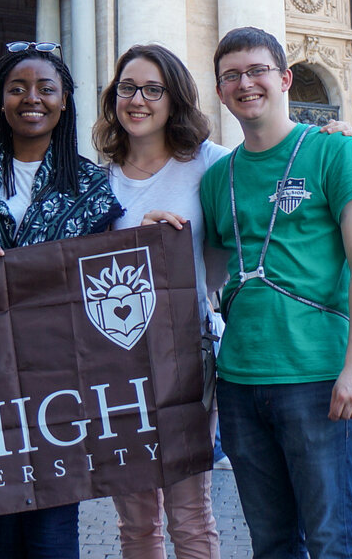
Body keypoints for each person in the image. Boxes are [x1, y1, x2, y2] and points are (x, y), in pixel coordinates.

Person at [198, 27, 352, 559]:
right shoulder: (218, 178)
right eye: (231, 75)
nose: (245, 84)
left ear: (285, 78)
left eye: (256, 71)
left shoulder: (334, 152)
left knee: (331, 539)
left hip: (318, 375)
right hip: (239, 381)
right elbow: (210, 273)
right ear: (219, 90)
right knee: (271, 543)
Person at [0, 43, 121, 559]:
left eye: (46, 89)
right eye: (17, 89)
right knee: (4, 512)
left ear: (65, 102)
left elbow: (106, 268)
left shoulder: (90, 184)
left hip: (61, 374)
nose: (31, 99)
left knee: (56, 511)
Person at [92, 44, 225, 559]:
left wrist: (330, 139)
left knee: (190, 513)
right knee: (136, 519)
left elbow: (270, 175)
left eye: (153, 89)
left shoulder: (209, 166)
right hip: (115, 364)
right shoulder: (96, 180)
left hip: (185, 359)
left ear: (175, 99)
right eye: (128, 88)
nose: (138, 100)